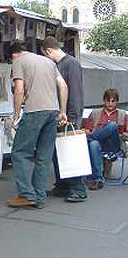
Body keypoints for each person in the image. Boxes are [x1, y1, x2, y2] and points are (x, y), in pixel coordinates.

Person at [6, 42, 68, 209]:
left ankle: (26, 194)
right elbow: (63, 86)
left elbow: (19, 89)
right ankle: (39, 197)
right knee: (44, 156)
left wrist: (16, 114)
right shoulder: (49, 61)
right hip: (53, 111)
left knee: (20, 152)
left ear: (14, 55)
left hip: (35, 111)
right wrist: (62, 111)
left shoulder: (19, 61)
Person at [41, 36, 88, 203]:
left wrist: (73, 117)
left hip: (69, 116)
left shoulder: (71, 64)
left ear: (48, 51)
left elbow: (76, 92)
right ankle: (62, 185)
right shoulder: (64, 64)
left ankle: (78, 189)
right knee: (59, 152)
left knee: (70, 152)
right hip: (63, 115)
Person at [84, 88, 128, 190]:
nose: (110, 103)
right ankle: (98, 180)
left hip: (114, 145)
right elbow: (87, 129)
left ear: (117, 102)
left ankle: (89, 139)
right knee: (94, 144)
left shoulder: (122, 114)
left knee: (112, 125)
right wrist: (89, 133)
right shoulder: (95, 113)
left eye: (113, 101)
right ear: (104, 100)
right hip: (99, 144)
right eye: (108, 100)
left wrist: (125, 134)